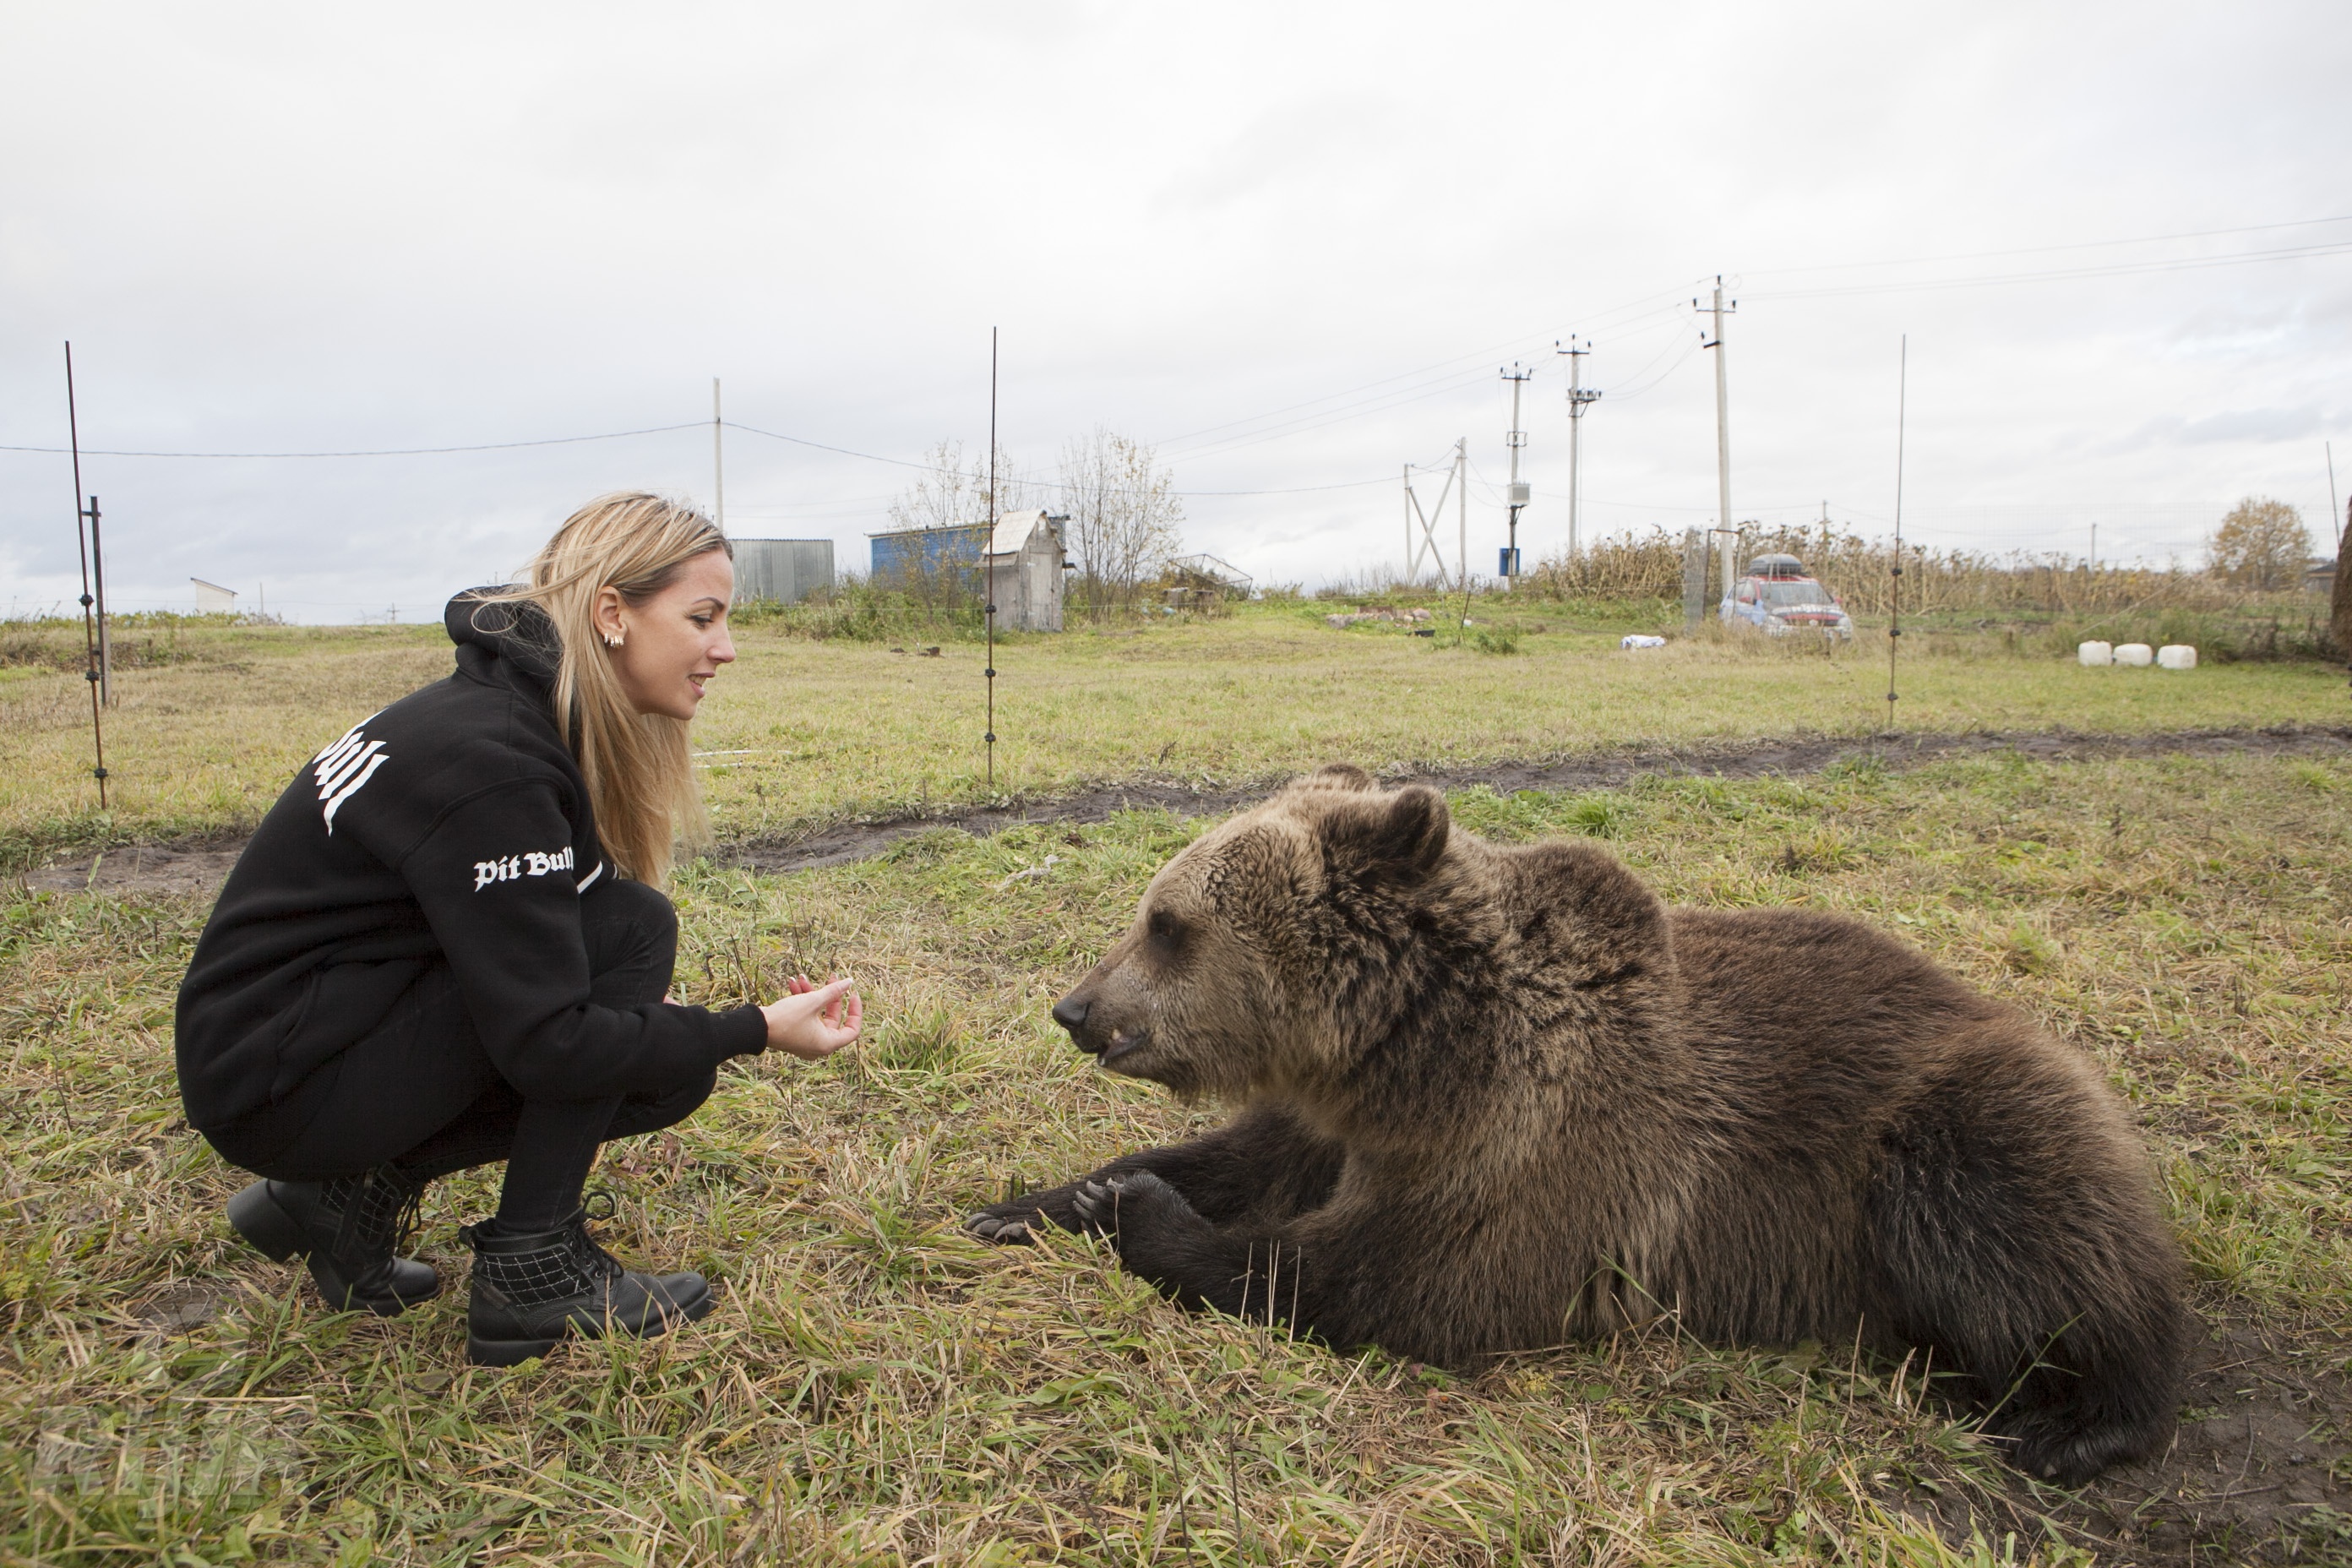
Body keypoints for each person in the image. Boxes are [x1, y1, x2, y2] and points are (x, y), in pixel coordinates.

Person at [175, 492, 862, 1365]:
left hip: (292, 1041)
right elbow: (553, 1042)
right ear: (613, 612)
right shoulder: (494, 761)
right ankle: (530, 1271)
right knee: (639, 985)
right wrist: (749, 1029)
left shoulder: (505, 715)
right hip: (277, 1076)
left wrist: (685, 1033)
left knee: (635, 952)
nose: (723, 648)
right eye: (702, 617)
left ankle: (344, 1198)